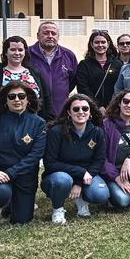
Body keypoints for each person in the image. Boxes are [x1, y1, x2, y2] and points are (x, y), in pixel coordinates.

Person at [0, 81, 47, 230]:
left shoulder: (38, 123)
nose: (17, 100)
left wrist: (10, 173)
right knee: (1, 192)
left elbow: (35, 156)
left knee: (21, 221)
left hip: (24, 176)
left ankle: (10, 204)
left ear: (28, 99)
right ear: (5, 100)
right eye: (11, 96)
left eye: (21, 96)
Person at [41, 94, 110, 225]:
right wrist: (81, 173)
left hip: (85, 176)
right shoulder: (56, 132)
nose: (81, 112)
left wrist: (79, 182)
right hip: (59, 176)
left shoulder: (97, 132)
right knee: (63, 180)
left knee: (100, 195)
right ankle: (58, 209)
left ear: (90, 112)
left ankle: (82, 199)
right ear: (69, 112)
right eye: (76, 109)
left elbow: (99, 160)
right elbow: (50, 163)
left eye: (85, 108)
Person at [0, 35, 53, 124]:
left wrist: (48, 123)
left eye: (20, 50)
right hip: (4, 126)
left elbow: (47, 100)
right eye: (13, 49)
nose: (17, 53)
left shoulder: (34, 73)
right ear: (6, 52)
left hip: (33, 126)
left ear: (25, 52)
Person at [29, 21, 78, 116]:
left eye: (54, 33)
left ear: (58, 36)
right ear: (38, 35)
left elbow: (72, 80)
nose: (50, 36)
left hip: (60, 110)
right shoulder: (27, 54)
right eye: (46, 33)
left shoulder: (68, 55)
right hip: (35, 112)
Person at [75, 31, 123, 111]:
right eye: (97, 42)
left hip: (114, 109)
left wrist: (112, 106)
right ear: (91, 44)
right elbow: (82, 88)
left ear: (108, 44)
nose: (100, 45)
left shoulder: (117, 64)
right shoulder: (84, 65)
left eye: (103, 42)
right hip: (91, 109)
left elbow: (121, 88)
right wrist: (98, 106)